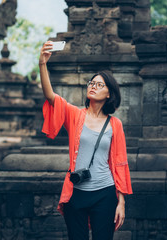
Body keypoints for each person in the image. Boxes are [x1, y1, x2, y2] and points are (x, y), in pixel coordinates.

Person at [39, 41, 133, 240]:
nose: (93, 86)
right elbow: (51, 96)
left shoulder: (114, 124)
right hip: (77, 191)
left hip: (105, 192)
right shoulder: (75, 115)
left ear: (109, 93)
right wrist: (42, 64)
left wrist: (121, 202)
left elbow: (120, 163)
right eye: (92, 83)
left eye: (99, 85)